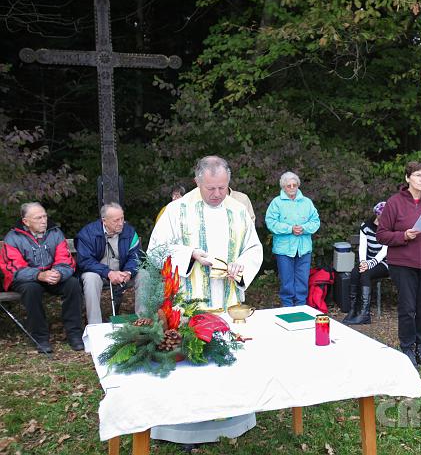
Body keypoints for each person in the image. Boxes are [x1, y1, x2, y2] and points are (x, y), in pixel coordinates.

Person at [148, 155, 263, 446]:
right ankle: (185, 430)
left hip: (228, 305)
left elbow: (253, 249)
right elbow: (156, 250)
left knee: (226, 363)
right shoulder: (177, 211)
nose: (217, 194)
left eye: (223, 188)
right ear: (197, 181)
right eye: (211, 188)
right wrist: (189, 255)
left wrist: (241, 267)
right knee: (191, 368)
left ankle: (231, 420)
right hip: (188, 306)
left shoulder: (238, 211)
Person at [377, 161, 421, 370]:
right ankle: (407, 347)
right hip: (403, 263)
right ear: (408, 178)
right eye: (418, 175)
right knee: (408, 308)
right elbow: (381, 234)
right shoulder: (394, 202)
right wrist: (403, 235)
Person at [0, 202, 84, 353]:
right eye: (38, 218)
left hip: (52, 275)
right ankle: (41, 338)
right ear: (26, 221)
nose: (44, 220)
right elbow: (13, 269)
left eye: (44, 216)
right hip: (25, 279)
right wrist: (39, 275)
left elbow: (65, 259)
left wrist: (58, 273)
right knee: (32, 289)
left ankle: (75, 335)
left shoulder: (55, 232)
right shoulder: (13, 238)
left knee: (72, 284)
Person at [75, 203, 141, 324]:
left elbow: (136, 256)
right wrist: (108, 272)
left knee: (144, 274)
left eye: (122, 218)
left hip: (122, 271)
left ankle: (143, 321)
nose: (121, 223)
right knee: (90, 278)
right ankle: (95, 325)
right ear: (104, 221)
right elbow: (85, 261)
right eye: (116, 220)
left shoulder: (130, 232)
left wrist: (128, 272)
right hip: (98, 273)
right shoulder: (88, 233)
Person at [265, 171, 320, 307]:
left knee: (302, 279)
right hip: (284, 249)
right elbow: (271, 222)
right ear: (283, 187)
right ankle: (287, 307)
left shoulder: (307, 202)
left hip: (304, 248)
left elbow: (316, 221)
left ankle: (301, 306)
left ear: (298, 185)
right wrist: (289, 229)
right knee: (286, 280)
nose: (292, 187)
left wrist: (304, 228)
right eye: (288, 185)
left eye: (294, 185)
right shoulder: (276, 203)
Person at [343, 201, 388, 325]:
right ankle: (353, 309)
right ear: (376, 214)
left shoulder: (390, 227)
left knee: (366, 274)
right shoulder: (366, 226)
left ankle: (364, 314)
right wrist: (363, 262)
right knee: (355, 272)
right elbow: (363, 246)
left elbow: (385, 250)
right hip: (367, 261)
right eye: (382, 215)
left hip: (385, 263)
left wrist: (370, 264)